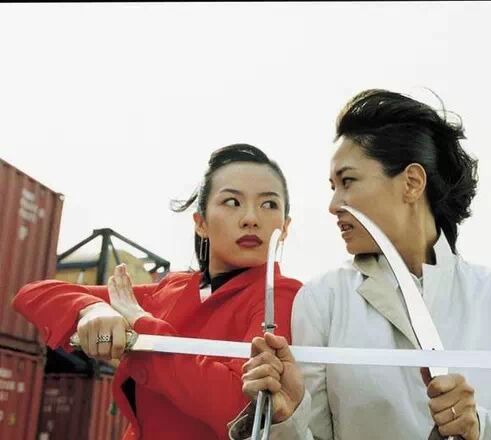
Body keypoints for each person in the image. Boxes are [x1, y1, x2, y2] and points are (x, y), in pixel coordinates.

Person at [234, 90, 491, 439]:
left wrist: (481, 427)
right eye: (333, 186)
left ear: (411, 183)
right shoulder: (324, 298)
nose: (334, 205)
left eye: (348, 181)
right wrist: (287, 419)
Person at [13, 143, 302, 440]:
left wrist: (140, 325)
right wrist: (92, 310)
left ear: (285, 226)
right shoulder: (171, 290)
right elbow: (34, 294)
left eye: (269, 204)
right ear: (200, 223)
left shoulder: (283, 297)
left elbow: (239, 409)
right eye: (232, 202)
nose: (251, 218)